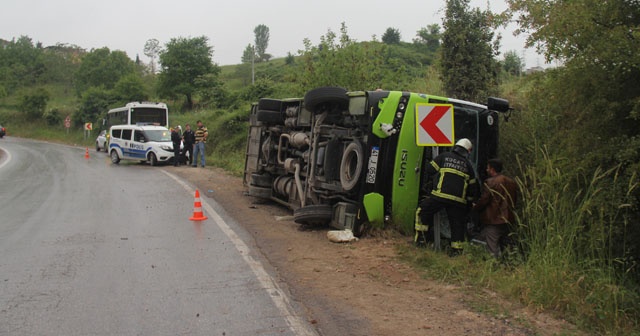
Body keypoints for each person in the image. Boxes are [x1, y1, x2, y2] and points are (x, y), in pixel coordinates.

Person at [415, 138, 479, 256]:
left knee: (422, 211)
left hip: (440, 196)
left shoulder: (444, 156)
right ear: (468, 151)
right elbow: (472, 190)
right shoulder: (469, 166)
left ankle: (421, 240)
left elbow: (429, 170)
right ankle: (457, 251)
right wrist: (468, 205)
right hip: (458, 202)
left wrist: (434, 181)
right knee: (457, 226)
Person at [473, 158, 518, 258]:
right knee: (505, 244)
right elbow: (514, 200)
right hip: (508, 218)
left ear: (492, 169)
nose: (486, 170)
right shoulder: (512, 182)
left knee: (492, 244)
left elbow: (484, 200)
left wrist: (475, 207)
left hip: (494, 218)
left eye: (488, 168)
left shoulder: (490, 182)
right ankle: (509, 263)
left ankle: (493, 265)